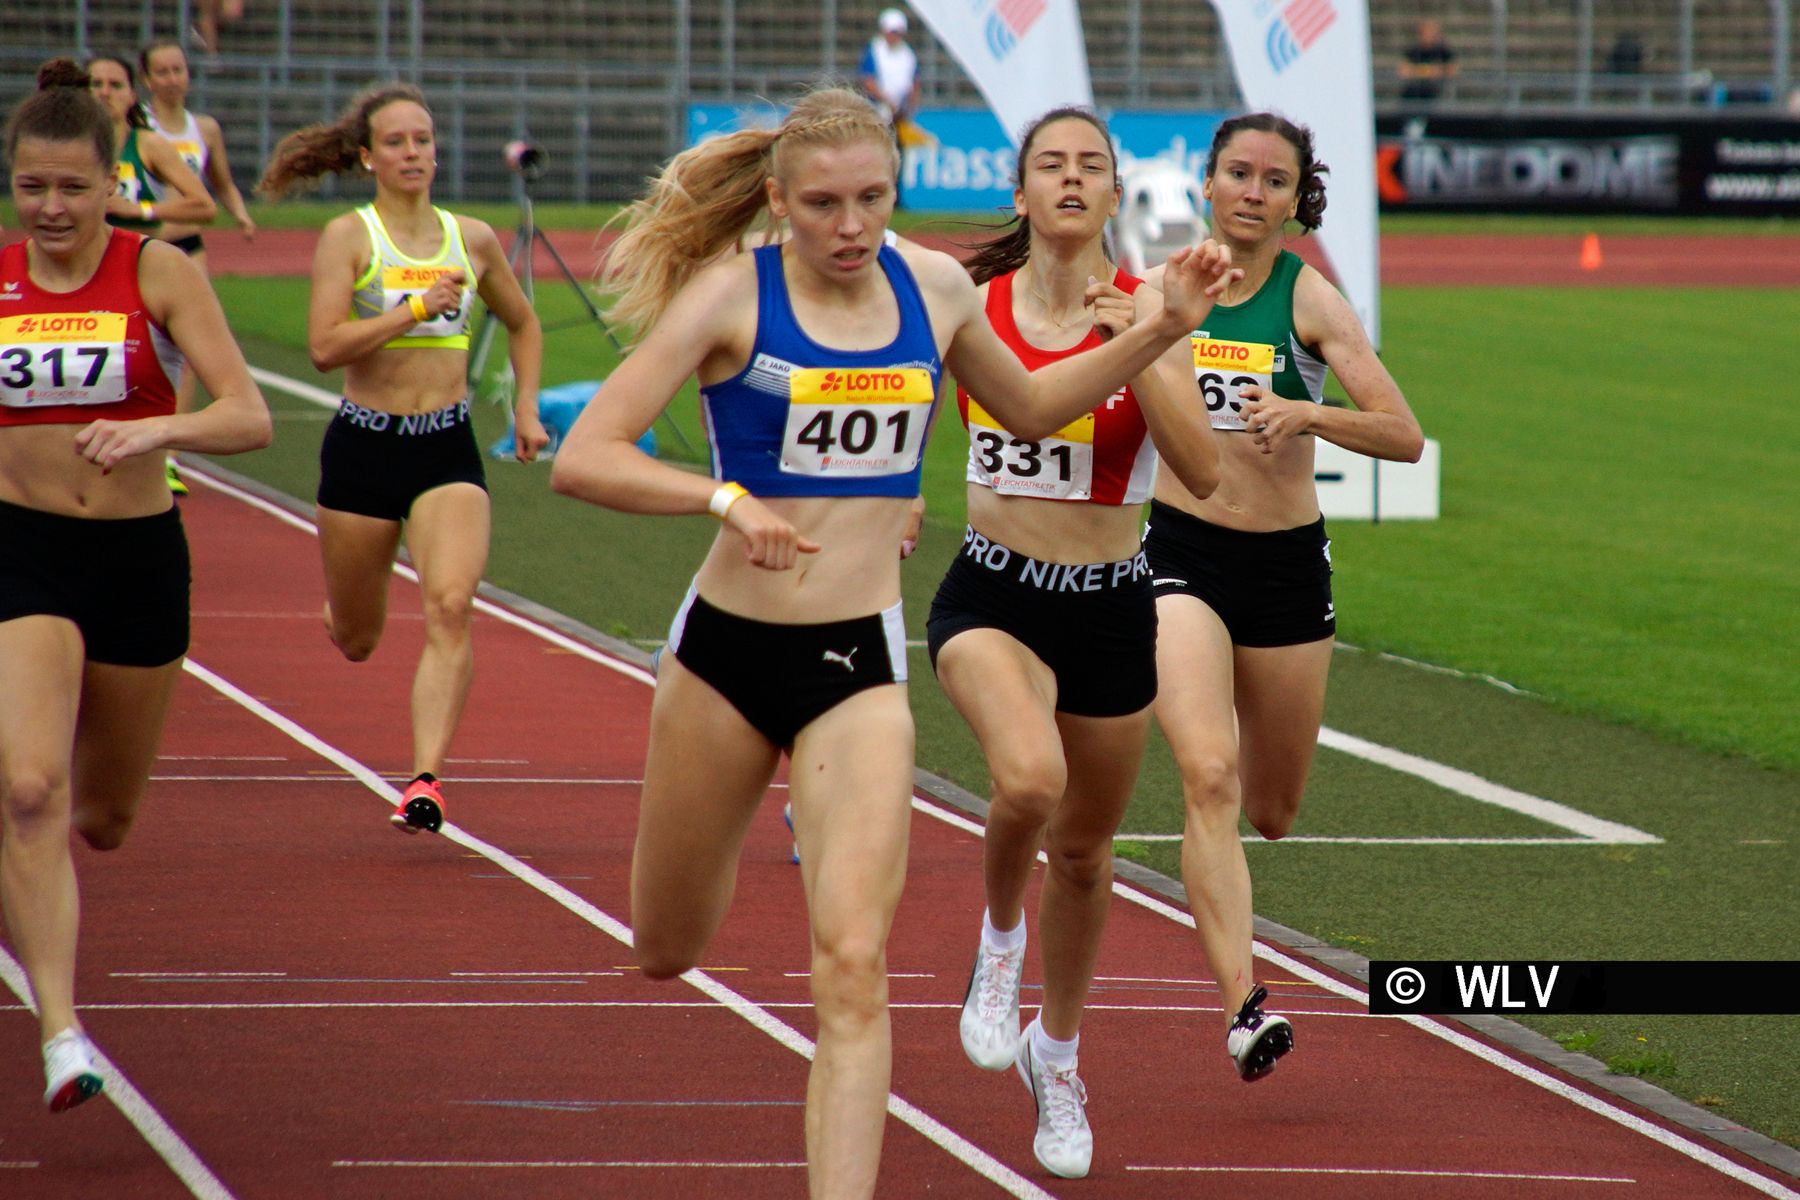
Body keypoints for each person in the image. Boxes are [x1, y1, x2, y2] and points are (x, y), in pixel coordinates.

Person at [548, 86, 1236, 1199]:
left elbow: (1031, 409)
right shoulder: (731, 294)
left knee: (856, 968)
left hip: (858, 664)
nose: (852, 225)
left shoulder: (934, 288)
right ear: (779, 202)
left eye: (873, 198)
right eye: (825, 204)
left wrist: (1160, 328)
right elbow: (587, 455)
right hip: (727, 654)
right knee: (667, 946)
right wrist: (723, 501)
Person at [928, 107, 1221, 1179]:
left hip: (1108, 605)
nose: (1069, 178)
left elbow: (1203, 472)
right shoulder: (973, 305)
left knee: (1089, 855)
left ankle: (1056, 1056)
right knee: (1027, 780)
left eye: (1090, 166)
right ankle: (998, 941)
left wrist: (1146, 341)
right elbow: (912, 412)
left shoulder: (1149, 309)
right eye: (1049, 164)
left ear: (1113, 197)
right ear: (1019, 192)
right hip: (992, 596)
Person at [0, 58, 271, 1112]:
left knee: (104, 818)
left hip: (135, 556)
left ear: (113, 183)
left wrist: (159, 429)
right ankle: (62, 1033)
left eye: (73, 187)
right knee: (30, 789)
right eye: (31, 186)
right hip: (21, 549)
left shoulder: (157, 272)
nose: (51, 208)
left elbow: (247, 414)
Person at [1142, 112, 1423, 1083]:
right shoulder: (1163, 290)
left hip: (1286, 567)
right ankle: (1243, 1006)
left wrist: (1307, 412)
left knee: (1271, 809)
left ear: (1298, 198)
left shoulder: (1311, 300)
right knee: (1208, 774)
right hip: (1180, 552)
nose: (1253, 192)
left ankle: (1242, 950)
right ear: (1208, 182)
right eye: (1238, 173)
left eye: (1274, 180)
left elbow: (1403, 435)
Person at [256, 83, 547, 834]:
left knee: (450, 606)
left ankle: (425, 781)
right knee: (358, 639)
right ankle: (345, 602)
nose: (412, 153)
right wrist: (414, 309)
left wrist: (524, 407)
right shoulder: (348, 237)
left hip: (446, 447)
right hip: (364, 447)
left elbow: (523, 323)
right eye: (396, 142)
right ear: (367, 157)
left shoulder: (472, 239)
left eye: (423, 140)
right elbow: (325, 348)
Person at [140, 38, 258, 494]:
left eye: (179, 69)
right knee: (138, 342)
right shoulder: (136, 128)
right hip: (144, 246)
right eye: (162, 71)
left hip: (188, 247)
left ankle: (170, 454)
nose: (173, 79)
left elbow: (221, 183)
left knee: (189, 347)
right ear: (147, 79)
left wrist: (240, 213)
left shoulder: (204, 129)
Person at [858, 7, 919, 204]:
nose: (894, 36)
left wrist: (909, 108)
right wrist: (887, 100)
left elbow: (913, 83)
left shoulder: (907, 55)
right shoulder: (875, 50)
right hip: (877, 111)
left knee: (897, 154)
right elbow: (869, 81)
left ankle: (895, 195)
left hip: (898, 114)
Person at [1398, 19, 1458, 103]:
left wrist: (1440, 72)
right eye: (1425, 33)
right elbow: (1403, 71)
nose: (1428, 36)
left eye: (1431, 33)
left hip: (1436, 89)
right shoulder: (1413, 51)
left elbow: (1452, 70)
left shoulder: (1443, 51)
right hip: (1416, 88)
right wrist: (1427, 71)